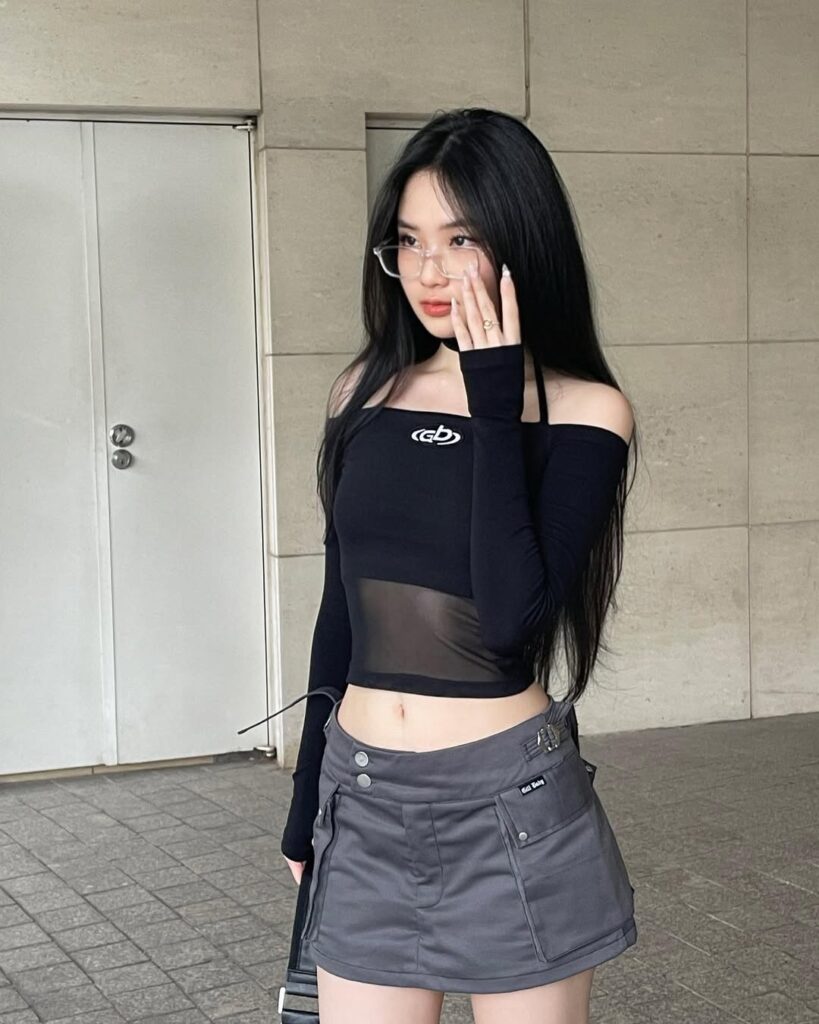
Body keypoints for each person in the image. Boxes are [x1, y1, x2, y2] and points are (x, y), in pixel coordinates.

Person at [276, 107, 639, 1023]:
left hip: (508, 808)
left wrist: (491, 404)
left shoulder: (586, 412)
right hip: (362, 798)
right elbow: (339, 613)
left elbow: (510, 622)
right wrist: (305, 798)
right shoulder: (363, 390)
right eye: (407, 241)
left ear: (521, 242)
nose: (429, 271)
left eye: (460, 238)